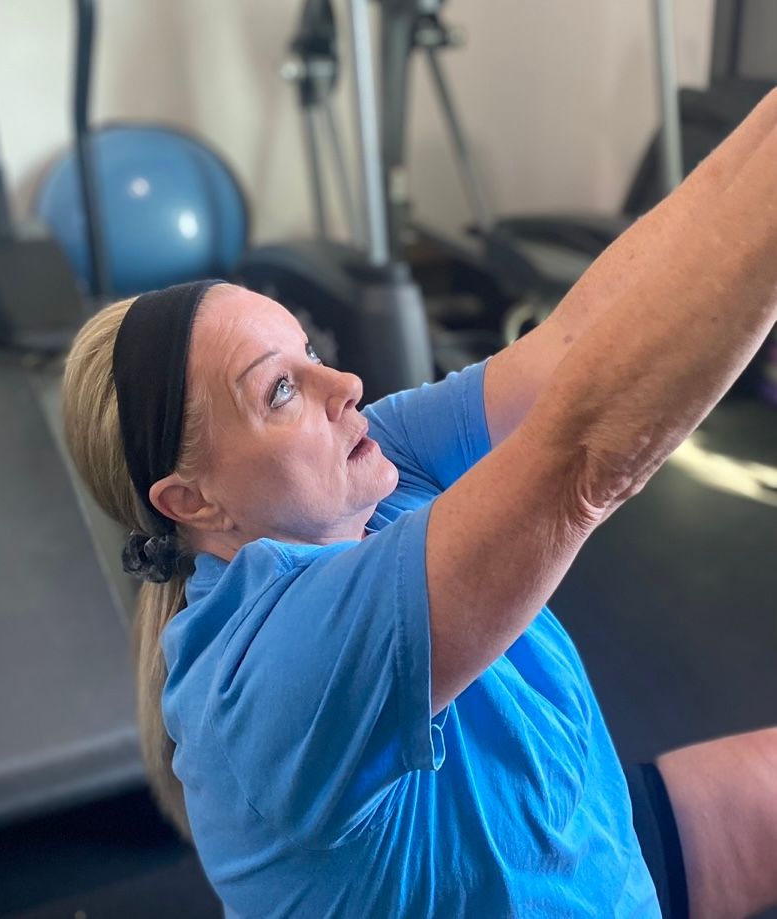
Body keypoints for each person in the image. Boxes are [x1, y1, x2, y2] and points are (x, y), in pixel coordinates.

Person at [61, 90, 777, 919]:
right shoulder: (269, 672)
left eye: (308, 351)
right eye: (283, 389)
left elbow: (576, 340)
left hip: (572, 829)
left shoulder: (366, 466)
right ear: (194, 499)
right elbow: (585, 453)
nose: (348, 386)